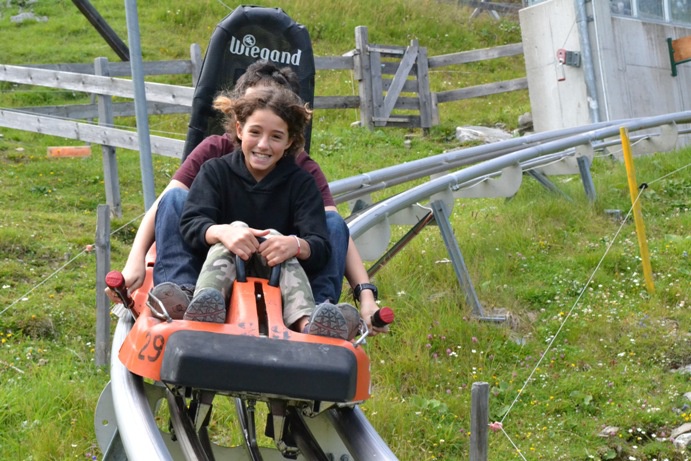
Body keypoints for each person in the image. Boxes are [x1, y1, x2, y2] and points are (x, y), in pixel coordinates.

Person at [106, 61, 385, 335]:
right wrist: (136, 260)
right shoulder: (214, 159)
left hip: (281, 263)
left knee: (332, 220)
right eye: (255, 121)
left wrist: (364, 293)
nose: (263, 143)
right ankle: (183, 294)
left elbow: (332, 233)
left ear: (289, 135)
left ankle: (320, 314)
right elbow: (169, 206)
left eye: (275, 132)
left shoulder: (302, 175)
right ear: (240, 120)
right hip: (212, 253)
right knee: (176, 197)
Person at [179, 86, 352, 338]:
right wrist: (222, 232)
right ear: (240, 130)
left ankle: (307, 322)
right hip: (226, 263)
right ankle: (207, 304)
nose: (263, 145)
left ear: (289, 141)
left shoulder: (302, 183)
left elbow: (321, 244)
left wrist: (295, 245)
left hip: (277, 270)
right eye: (255, 132)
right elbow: (191, 222)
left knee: (281, 248)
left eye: (276, 137)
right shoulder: (214, 171)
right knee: (233, 233)